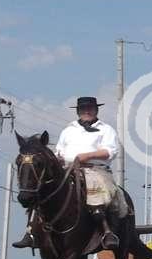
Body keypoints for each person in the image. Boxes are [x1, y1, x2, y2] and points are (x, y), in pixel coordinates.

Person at [53, 96, 127, 250]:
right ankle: (32, 232)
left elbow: (110, 151)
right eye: (83, 109)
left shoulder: (106, 129)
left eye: (90, 108)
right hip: (68, 169)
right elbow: (59, 150)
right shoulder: (68, 130)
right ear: (78, 111)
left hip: (94, 168)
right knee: (45, 190)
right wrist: (58, 159)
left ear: (96, 110)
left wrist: (87, 156)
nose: (86, 111)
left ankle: (107, 232)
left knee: (97, 193)